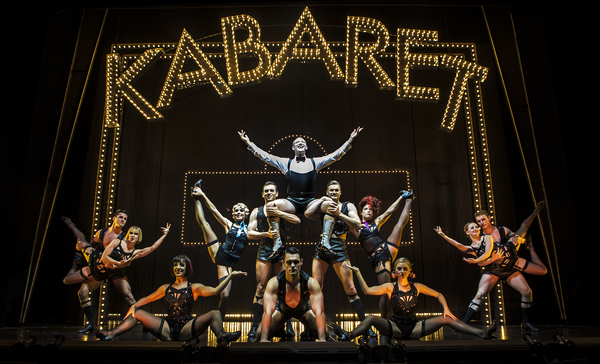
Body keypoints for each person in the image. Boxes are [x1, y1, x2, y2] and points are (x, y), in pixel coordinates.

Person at [331, 258, 497, 342]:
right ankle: (348, 335)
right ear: (394, 272)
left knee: (446, 319)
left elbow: (439, 294)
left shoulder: (417, 287)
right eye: (399, 269)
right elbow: (366, 291)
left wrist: (446, 309)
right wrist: (358, 272)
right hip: (395, 326)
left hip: (414, 326)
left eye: (405, 269)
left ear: (410, 271)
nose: (402, 271)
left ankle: (481, 333)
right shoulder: (390, 287)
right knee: (371, 318)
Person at [441, 202, 546, 331]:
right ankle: (463, 324)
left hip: (510, 264)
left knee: (527, 291)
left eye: (483, 220)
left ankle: (525, 323)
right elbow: (476, 255)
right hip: (494, 269)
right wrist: (481, 260)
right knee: (480, 294)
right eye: (478, 222)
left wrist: (519, 236)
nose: (480, 224)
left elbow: (520, 230)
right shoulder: (483, 239)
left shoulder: (501, 231)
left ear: (489, 218)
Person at [99, 255, 244, 344]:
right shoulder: (165, 288)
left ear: (187, 268)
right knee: (136, 312)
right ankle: (110, 334)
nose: (178, 267)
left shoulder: (194, 287)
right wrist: (134, 306)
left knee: (215, 313)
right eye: (175, 265)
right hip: (167, 328)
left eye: (181, 264)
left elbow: (216, 291)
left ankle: (222, 337)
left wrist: (230, 276)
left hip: (186, 328)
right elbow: (148, 298)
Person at [62, 217, 170, 336]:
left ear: (139, 238)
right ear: (128, 234)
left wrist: (164, 235)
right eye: (131, 233)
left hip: (104, 273)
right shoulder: (118, 242)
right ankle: (72, 228)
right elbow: (104, 257)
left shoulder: (134, 253)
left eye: (136, 234)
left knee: (128, 295)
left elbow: (152, 248)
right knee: (81, 243)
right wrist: (118, 264)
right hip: (95, 261)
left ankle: (146, 323)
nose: (133, 236)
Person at [238, 127, 362, 218]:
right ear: (293, 148)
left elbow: (335, 156)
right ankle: (276, 241)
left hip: (310, 201)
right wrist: (249, 143)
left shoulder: (315, 162)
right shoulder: (286, 163)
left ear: (306, 147)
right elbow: (265, 156)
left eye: (303, 142)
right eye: (297, 142)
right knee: (271, 206)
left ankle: (325, 240)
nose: (300, 143)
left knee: (331, 205)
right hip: (292, 201)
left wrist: (349, 141)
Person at [305, 180, 370, 333]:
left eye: (336, 190)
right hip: (322, 247)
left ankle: (366, 328)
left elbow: (357, 224)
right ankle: (310, 328)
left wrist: (339, 213)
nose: (334, 192)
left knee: (351, 287)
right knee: (316, 287)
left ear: (340, 192)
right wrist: (321, 200)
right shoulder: (324, 205)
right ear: (327, 192)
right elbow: (307, 213)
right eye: (331, 190)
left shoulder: (348, 206)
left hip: (339, 246)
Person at [246, 181, 301, 340]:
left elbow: (297, 221)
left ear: (277, 194)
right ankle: (254, 326)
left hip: (281, 250)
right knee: (261, 287)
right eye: (266, 191)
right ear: (262, 194)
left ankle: (288, 326)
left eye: (272, 191)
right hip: (265, 248)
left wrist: (280, 213)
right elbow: (249, 233)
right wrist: (266, 235)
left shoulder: (282, 206)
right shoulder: (257, 211)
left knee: (285, 287)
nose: (269, 193)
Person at [350, 190, 414, 324]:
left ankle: (409, 198)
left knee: (398, 226)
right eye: (365, 209)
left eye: (371, 210)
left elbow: (389, 211)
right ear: (360, 212)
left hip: (387, 248)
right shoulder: (356, 227)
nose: (368, 211)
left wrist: (400, 197)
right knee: (385, 292)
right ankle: (384, 322)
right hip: (379, 258)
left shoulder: (376, 222)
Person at [191, 179, 252, 319]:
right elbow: (213, 210)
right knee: (205, 224)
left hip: (230, 263)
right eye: (235, 210)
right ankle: (196, 196)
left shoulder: (249, 230)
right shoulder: (229, 224)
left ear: (246, 213)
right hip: (220, 254)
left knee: (225, 296)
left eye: (241, 210)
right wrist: (203, 194)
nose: (238, 212)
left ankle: (220, 321)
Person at [62, 209, 128, 333]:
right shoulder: (102, 232)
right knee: (81, 243)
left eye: (125, 219)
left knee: (79, 290)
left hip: (101, 270)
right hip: (94, 258)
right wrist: (84, 251)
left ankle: (75, 264)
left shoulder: (123, 239)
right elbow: (92, 245)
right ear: (114, 218)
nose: (123, 220)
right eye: (120, 217)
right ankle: (92, 324)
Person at [254, 247, 327, 342]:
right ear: (283, 263)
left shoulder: (310, 283)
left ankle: (308, 331)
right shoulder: (274, 283)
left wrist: (322, 340)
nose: (292, 266)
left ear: (301, 262)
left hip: (303, 311)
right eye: (289, 262)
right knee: (260, 334)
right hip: (282, 311)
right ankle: (278, 329)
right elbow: (267, 311)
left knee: (325, 334)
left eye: (296, 262)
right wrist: (264, 339)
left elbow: (319, 312)